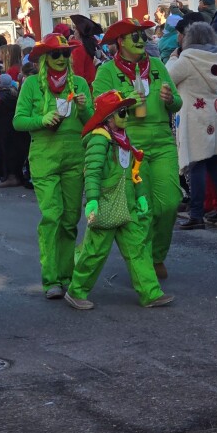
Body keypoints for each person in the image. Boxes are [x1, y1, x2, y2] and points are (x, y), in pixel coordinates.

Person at [64, 90, 174, 311]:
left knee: (138, 248)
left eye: (128, 111)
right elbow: (92, 171)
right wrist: (93, 200)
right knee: (95, 252)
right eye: (123, 112)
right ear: (109, 116)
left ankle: (150, 293)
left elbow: (136, 169)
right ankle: (76, 291)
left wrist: (142, 195)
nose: (128, 116)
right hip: (106, 203)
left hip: (128, 204)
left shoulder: (124, 138)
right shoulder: (99, 139)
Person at [93, 18, 182, 279]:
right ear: (120, 42)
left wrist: (170, 99)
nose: (142, 40)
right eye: (135, 37)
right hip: (130, 144)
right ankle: (146, 262)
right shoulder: (107, 71)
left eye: (143, 36)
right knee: (143, 208)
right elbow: (98, 107)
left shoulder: (156, 65)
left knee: (169, 203)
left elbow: (177, 102)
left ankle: (157, 254)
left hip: (163, 142)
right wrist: (124, 100)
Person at [13, 33, 92, 298]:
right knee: (52, 217)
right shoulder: (32, 85)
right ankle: (51, 280)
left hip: (74, 158)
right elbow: (18, 121)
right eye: (56, 54)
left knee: (70, 220)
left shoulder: (79, 83)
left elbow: (92, 123)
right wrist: (41, 119)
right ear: (44, 58)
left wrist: (83, 109)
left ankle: (67, 275)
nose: (61, 58)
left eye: (65, 54)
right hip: (44, 159)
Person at [166, 21, 217, 230]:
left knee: (195, 162)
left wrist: (172, 58)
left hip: (193, 115)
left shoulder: (186, 59)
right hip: (215, 112)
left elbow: (168, 78)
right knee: (215, 162)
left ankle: (196, 214)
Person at [0, 72, 29, 187]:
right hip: (15, 127)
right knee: (15, 151)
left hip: (2, 128)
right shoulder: (16, 94)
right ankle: (17, 175)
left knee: (5, 152)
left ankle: (10, 177)